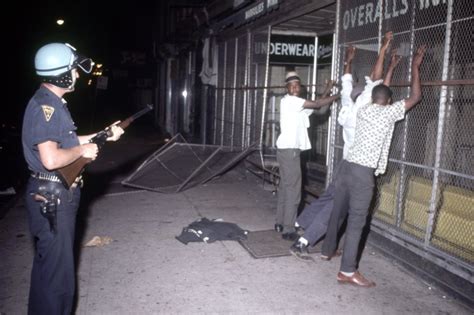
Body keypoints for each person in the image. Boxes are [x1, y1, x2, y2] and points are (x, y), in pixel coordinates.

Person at [22, 42, 125, 314]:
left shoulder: (50, 102)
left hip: (50, 194)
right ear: (62, 74)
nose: (78, 75)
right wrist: (81, 151)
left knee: (50, 272)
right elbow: (52, 159)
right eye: (73, 70)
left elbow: (65, 140)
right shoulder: (48, 107)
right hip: (53, 197)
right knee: (59, 279)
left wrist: (102, 135)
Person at [321, 45, 427, 288]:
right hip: (362, 174)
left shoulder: (364, 109)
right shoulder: (388, 114)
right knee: (357, 221)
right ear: (388, 102)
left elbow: (379, 89)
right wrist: (414, 67)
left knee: (339, 210)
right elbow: (415, 98)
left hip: (347, 167)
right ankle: (347, 271)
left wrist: (390, 68)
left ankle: (327, 250)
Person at [290, 32, 395, 260]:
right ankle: (303, 241)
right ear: (366, 96)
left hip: (344, 164)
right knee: (335, 207)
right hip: (355, 167)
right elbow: (377, 82)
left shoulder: (349, 104)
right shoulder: (368, 109)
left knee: (328, 198)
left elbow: (348, 81)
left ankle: (299, 223)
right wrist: (384, 50)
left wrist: (348, 61)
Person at [275, 71, 339, 241]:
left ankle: (280, 222)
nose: (295, 87)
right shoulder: (292, 101)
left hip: (286, 150)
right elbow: (318, 104)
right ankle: (288, 229)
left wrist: (327, 90)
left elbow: (317, 106)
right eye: (291, 84)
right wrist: (340, 95)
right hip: (289, 151)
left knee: (285, 187)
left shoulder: (297, 104)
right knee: (294, 190)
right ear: (286, 87)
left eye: (297, 84)